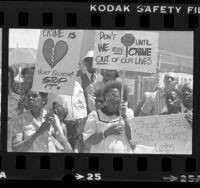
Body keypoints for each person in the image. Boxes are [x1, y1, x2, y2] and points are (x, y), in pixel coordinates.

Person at [83, 80, 134, 153]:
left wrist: (124, 117)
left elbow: (133, 138)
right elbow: (87, 143)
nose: (111, 98)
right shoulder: (95, 115)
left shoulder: (129, 113)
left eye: (115, 96)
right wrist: (107, 132)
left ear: (122, 98)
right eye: (108, 95)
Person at [46, 81, 87, 152]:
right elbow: (49, 107)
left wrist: (84, 123)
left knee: (78, 151)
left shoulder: (77, 85)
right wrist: (57, 125)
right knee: (65, 150)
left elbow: (83, 105)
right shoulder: (53, 85)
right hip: (63, 125)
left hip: (79, 124)